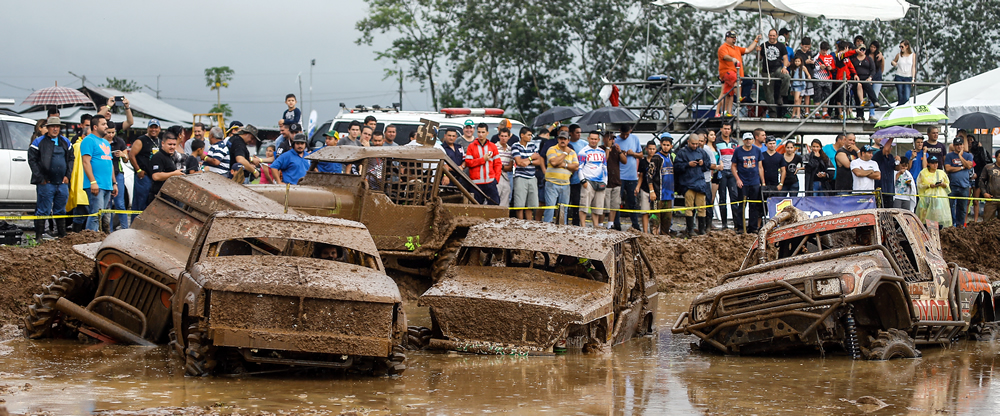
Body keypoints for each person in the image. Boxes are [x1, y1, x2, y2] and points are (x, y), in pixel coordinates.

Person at [28, 117, 73, 239]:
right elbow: (32, 160)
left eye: (57, 126)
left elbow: (71, 159)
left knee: (61, 210)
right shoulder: (38, 142)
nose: (55, 129)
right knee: (43, 210)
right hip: (46, 183)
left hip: (62, 183)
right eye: (53, 126)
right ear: (47, 128)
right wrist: (40, 177)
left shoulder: (66, 142)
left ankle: (62, 235)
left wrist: (68, 175)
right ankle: (39, 236)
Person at [79, 115, 116, 232]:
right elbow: (86, 162)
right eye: (103, 124)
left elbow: (109, 163)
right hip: (96, 184)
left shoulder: (106, 142)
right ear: (95, 127)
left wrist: (114, 183)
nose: (106, 126)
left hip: (107, 185)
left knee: (101, 215)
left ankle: (95, 236)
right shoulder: (88, 140)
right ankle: (90, 238)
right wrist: (93, 182)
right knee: (95, 214)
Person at [675, 132, 712, 236]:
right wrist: (687, 164)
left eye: (697, 144)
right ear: (688, 142)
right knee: (689, 207)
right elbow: (677, 167)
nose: (695, 146)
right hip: (688, 183)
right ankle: (690, 229)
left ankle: (702, 229)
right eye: (693, 144)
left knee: (702, 208)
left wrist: (703, 164)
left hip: (700, 183)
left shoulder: (702, 152)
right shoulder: (682, 153)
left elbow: (708, 165)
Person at [716, 30, 761, 117]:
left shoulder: (737, 48)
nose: (734, 39)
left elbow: (748, 50)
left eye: (735, 37)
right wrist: (733, 59)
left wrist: (756, 40)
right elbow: (725, 56)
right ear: (727, 38)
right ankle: (738, 97)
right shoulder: (723, 47)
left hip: (735, 74)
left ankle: (726, 112)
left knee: (729, 94)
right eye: (732, 37)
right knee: (727, 90)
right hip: (727, 73)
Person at [543, 130, 579, 223]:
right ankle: (547, 226)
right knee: (550, 207)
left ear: (568, 140)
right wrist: (565, 154)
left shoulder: (572, 152)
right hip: (552, 183)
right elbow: (554, 162)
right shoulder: (552, 149)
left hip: (566, 184)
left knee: (564, 209)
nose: (562, 140)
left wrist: (564, 164)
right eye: (561, 138)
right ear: (558, 139)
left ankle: (562, 227)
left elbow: (576, 166)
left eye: (565, 139)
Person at [732, 132, 764, 233]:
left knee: (753, 206)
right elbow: (733, 166)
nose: (748, 141)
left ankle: (753, 227)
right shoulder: (738, 151)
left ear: (753, 140)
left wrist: (762, 181)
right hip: (743, 182)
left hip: (754, 182)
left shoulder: (757, 150)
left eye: (749, 139)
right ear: (743, 140)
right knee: (742, 205)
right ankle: (741, 227)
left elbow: (760, 167)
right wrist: (737, 179)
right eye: (746, 140)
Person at [128, 119, 160, 215]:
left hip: (154, 176)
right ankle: (135, 222)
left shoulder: (159, 141)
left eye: (155, 127)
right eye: (151, 127)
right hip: (143, 176)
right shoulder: (141, 140)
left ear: (159, 129)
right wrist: (138, 170)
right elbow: (131, 155)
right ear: (147, 128)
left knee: (150, 202)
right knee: (140, 201)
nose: (153, 130)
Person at [466, 123, 502, 205]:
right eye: (479, 132)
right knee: (476, 207)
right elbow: (468, 163)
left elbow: (498, 164)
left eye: (483, 132)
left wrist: (496, 179)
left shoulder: (492, 146)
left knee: (495, 204)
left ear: (487, 133)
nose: (481, 134)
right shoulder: (471, 146)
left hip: (490, 182)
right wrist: (483, 160)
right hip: (476, 183)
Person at [615, 124, 643, 231]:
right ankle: (617, 224)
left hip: (632, 176)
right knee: (617, 201)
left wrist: (633, 153)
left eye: (627, 134)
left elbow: (641, 155)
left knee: (633, 201)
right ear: (619, 131)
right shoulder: (615, 140)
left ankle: (635, 224)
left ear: (630, 131)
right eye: (623, 134)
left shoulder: (635, 139)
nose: (625, 136)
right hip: (620, 175)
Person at [759, 29, 791, 118]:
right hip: (766, 71)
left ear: (776, 36)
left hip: (778, 68)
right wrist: (758, 51)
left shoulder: (781, 46)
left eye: (774, 35)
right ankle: (772, 112)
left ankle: (782, 95)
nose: (772, 37)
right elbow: (759, 59)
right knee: (769, 93)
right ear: (768, 35)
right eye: (771, 35)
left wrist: (784, 67)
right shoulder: (764, 45)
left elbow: (785, 58)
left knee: (786, 77)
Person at [578, 132, 608, 228]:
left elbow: (604, 167)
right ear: (588, 139)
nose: (593, 141)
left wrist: (605, 181)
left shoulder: (602, 152)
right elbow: (579, 167)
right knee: (584, 205)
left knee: (598, 206)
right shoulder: (583, 151)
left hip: (600, 181)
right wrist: (583, 181)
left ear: (598, 140)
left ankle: (596, 225)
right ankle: (583, 225)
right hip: (588, 180)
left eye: (595, 139)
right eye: (592, 139)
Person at [511, 126, 541, 219]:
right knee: (519, 205)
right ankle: (520, 224)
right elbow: (519, 162)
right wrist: (531, 158)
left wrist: (528, 162)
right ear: (522, 135)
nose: (530, 137)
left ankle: (529, 224)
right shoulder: (515, 146)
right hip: (520, 177)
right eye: (528, 135)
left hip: (532, 177)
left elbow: (539, 161)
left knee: (531, 205)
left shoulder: (533, 145)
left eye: (531, 135)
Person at [944, 137, 974, 227]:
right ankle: (951, 225)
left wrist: (960, 156)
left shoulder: (968, 155)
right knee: (950, 207)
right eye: (957, 145)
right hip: (952, 185)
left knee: (962, 208)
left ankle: (960, 226)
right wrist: (961, 167)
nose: (959, 146)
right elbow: (948, 168)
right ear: (954, 146)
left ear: (963, 145)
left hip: (964, 185)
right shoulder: (949, 156)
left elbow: (969, 166)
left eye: (960, 144)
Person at [916, 156, 951, 227]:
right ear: (928, 163)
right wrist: (929, 185)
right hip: (926, 198)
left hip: (938, 199)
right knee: (924, 216)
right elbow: (919, 185)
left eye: (936, 163)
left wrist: (942, 184)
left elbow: (947, 185)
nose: (935, 165)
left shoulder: (941, 173)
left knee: (937, 215)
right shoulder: (923, 173)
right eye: (933, 163)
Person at [149, 133, 184, 203]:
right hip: (160, 197)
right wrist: (174, 174)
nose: (172, 147)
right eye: (170, 144)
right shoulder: (158, 157)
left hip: (169, 195)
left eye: (174, 144)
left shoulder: (169, 156)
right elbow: (156, 176)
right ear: (162, 143)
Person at [654, 134, 676, 235]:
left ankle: (665, 237)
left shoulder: (671, 157)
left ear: (671, 146)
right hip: (658, 194)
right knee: (655, 220)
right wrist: (652, 191)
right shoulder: (656, 158)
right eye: (664, 145)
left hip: (669, 194)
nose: (666, 147)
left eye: (668, 145)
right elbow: (649, 176)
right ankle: (654, 238)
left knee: (667, 220)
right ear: (660, 144)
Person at [968, 134, 993, 222]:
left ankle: (975, 220)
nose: (970, 142)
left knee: (976, 201)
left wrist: (981, 148)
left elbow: (984, 163)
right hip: (968, 178)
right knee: (967, 201)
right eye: (968, 140)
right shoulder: (965, 153)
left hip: (977, 178)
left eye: (971, 140)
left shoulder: (980, 152)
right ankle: (965, 221)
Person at [566, 124, 587, 226]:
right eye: (577, 132)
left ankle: (576, 223)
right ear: (571, 133)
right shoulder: (566, 144)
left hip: (578, 179)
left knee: (576, 202)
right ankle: (564, 222)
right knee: (565, 202)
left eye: (580, 133)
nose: (579, 134)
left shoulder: (584, 144)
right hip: (566, 178)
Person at [602, 130, 623, 229]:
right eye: (610, 138)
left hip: (616, 181)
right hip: (606, 181)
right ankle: (600, 224)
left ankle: (610, 224)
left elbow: (624, 161)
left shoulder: (616, 149)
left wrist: (620, 151)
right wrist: (607, 148)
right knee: (604, 206)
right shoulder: (601, 149)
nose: (612, 141)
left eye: (613, 139)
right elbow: (604, 160)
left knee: (614, 205)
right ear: (604, 139)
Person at [637, 140, 659, 233]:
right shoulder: (643, 162)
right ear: (646, 149)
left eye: (653, 149)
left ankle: (655, 231)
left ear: (656, 149)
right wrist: (638, 187)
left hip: (656, 189)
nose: (651, 151)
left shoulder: (658, 161)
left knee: (656, 213)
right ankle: (645, 232)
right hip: (644, 188)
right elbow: (641, 175)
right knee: (644, 211)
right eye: (650, 149)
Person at [852, 47, 879, 120]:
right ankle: (859, 114)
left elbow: (873, 70)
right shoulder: (854, 59)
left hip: (866, 78)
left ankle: (875, 101)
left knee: (868, 88)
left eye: (863, 50)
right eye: (860, 49)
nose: (862, 51)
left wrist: (870, 77)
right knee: (857, 96)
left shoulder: (868, 59)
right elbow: (851, 68)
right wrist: (854, 75)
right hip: (857, 79)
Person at [871, 138, 898, 206]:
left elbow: (895, 168)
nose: (891, 148)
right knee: (880, 209)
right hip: (880, 188)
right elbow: (885, 149)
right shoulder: (878, 155)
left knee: (889, 209)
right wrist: (892, 137)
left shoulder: (891, 156)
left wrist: (900, 163)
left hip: (889, 189)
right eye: (890, 146)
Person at [892, 40, 916, 106]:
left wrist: (913, 79)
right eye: (900, 47)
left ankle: (898, 106)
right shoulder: (899, 55)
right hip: (899, 76)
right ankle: (899, 106)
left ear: (907, 46)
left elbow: (913, 67)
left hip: (908, 77)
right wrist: (893, 63)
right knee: (900, 95)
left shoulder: (912, 55)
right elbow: (894, 61)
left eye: (902, 47)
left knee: (906, 97)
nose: (901, 48)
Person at [813, 42, 835, 118]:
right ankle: (816, 112)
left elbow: (834, 67)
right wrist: (819, 67)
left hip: (828, 79)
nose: (825, 52)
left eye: (826, 50)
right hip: (818, 78)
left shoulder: (830, 57)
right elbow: (812, 68)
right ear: (820, 49)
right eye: (823, 50)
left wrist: (831, 68)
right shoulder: (816, 57)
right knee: (817, 95)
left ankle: (825, 112)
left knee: (826, 96)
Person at [495, 127, 514, 207]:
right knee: (495, 198)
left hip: (506, 176)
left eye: (505, 136)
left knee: (505, 199)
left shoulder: (510, 149)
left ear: (509, 137)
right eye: (502, 136)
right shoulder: (494, 147)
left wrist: (501, 166)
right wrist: (500, 166)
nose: (503, 138)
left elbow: (510, 167)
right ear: (499, 136)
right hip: (495, 175)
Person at [979, 150, 1000, 221]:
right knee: (987, 222)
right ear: (996, 157)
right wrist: (984, 193)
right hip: (991, 198)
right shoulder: (989, 167)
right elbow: (981, 180)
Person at [868, 41, 885, 105]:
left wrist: (880, 73)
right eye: (871, 47)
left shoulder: (879, 56)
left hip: (877, 77)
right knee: (869, 96)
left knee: (875, 96)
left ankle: (872, 111)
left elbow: (882, 66)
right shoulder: (866, 55)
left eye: (874, 47)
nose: (872, 48)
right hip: (868, 77)